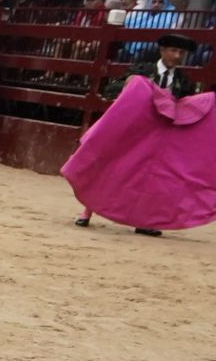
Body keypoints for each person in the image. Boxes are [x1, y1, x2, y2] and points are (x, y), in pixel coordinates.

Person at [76, 32, 204, 234]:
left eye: (181, 52)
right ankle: (87, 212)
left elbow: (187, 108)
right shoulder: (142, 70)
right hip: (132, 129)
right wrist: (129, 82)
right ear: (162, 51)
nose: (178, 56)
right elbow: (111, 89)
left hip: (157, 136)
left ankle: (144, 221)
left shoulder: (182, 80)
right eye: (173, 50)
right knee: (110, 164)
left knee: (152, 176)